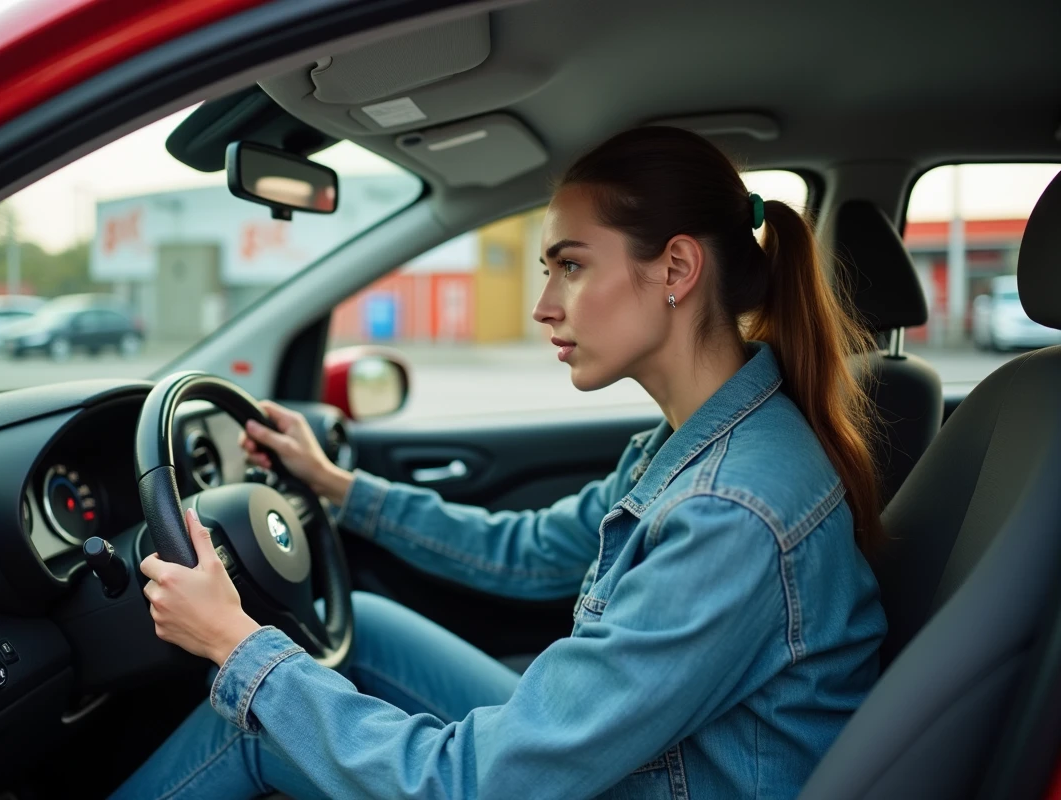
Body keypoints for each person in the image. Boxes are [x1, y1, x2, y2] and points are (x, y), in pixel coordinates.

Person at [112, 126, 888, 800]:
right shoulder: (699, 441)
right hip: (648, 766)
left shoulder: (726, 513)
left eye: (572, 266)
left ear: (678, 270)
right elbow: (531, 552)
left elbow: (475, 785)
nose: (544, 304)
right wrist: (338, 487)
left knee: (260, 721)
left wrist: (235, 646)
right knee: (362, 635)